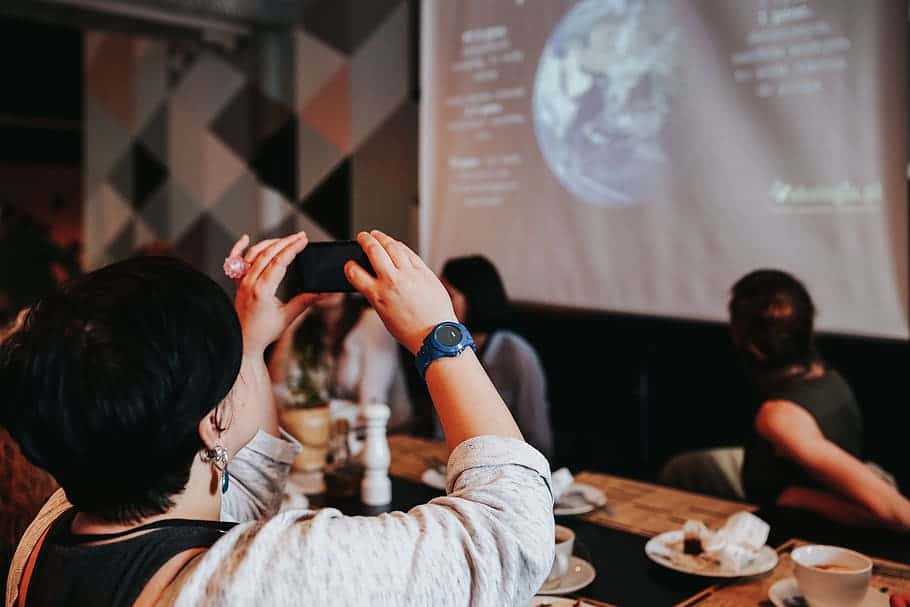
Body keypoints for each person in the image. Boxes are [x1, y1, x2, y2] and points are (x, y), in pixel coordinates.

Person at [3, 230, 554, 606]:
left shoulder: (47, 538)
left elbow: (234, 502)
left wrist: (246, 347)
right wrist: (439, 335)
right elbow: (510, 535)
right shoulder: (266, 582)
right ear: (211, 419)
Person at [660, 269, 910, 531]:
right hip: (796, 471)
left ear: (748, 343)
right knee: (685, 469)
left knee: (680, 474)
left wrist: (802, 499)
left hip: (801, 504)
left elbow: (898, 512)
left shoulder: (780, 417)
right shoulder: (826, 375)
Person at [438, 255, 554, 459]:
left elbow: (538, 437)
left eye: (447, 295)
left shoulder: (516, 354)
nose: (438, 303)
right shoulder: (447, 347)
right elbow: (440, 429)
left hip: (512, 470)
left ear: (474, 298)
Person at [268, 292, 413, 431]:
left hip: (387, 433)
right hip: (329, 434)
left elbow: (373, 403)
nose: (328, 287)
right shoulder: (307, 331)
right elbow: (279, 390)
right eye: (319, 277)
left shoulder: (372, 321)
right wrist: (289, 327)